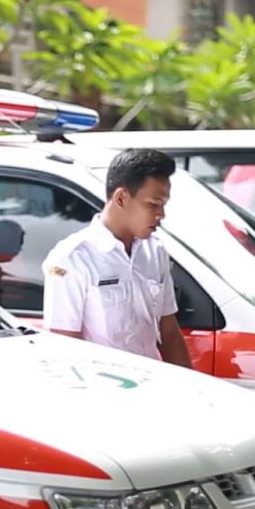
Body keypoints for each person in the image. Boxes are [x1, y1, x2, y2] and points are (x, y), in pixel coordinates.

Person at [41, 148, 192, 368]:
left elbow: (168, 331)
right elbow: (64, 348)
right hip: (105, 392)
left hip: (153, 385)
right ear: (121, 197)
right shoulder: (72, 258)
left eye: (163, 205)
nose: (161, 215)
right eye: (153, 204)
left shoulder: (154, 251)